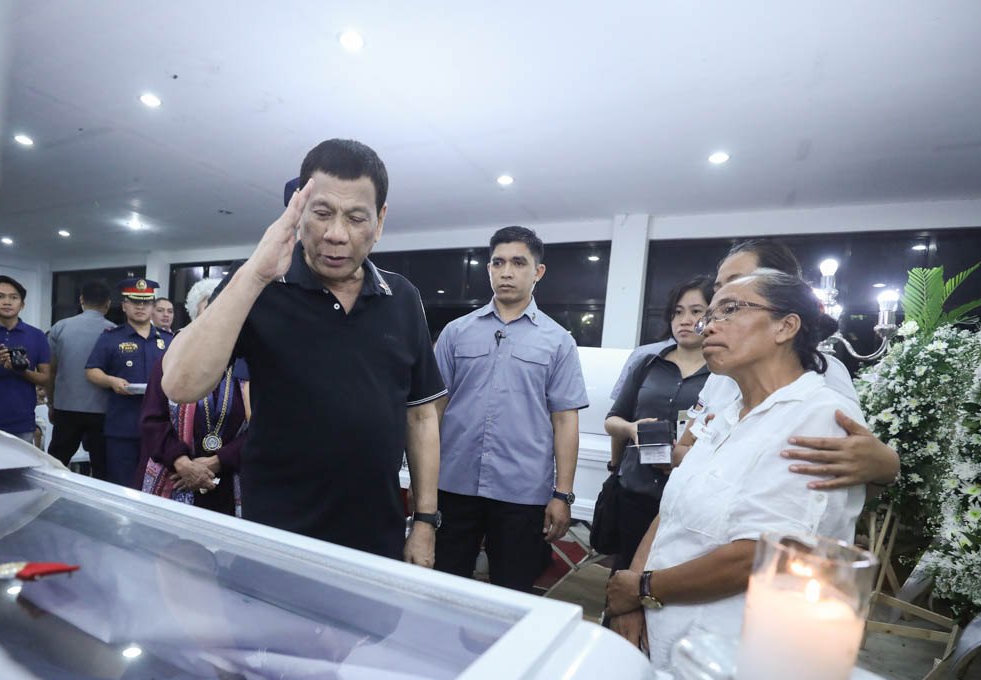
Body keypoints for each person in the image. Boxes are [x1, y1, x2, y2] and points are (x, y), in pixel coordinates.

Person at [605, 269, 866, 680]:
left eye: (727, 310)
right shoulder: (726, 408)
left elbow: (760, 553)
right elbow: (671, 513)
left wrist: (642, 588)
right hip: (668, 642)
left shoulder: (816, 419)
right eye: (707, 312)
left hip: (734, 666)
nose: (706, 324)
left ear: (785, 326)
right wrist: (630, 593)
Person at [160, 138, 445, 564]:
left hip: (375, 530)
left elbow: (421, 416)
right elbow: (180, 384)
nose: (336, 234)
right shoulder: (260, 285)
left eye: (356, 218)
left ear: (380, 221)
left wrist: (424, 521)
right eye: (322, 213)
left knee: (369, 631)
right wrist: (254, 273)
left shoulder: (401, 297)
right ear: (298, 210)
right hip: (276, 532)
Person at [431, 226, 589, 592]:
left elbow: (565, 421)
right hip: (454, 484)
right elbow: (433, 409)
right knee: (442, 581)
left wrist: (562, 494)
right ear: (488, 269)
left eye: (519, 263)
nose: (506, 272)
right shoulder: (456, 332)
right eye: (498, 262)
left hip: (523, 492)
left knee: (512, 588)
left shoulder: (558, 341)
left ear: (538, 271)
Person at [672, 239, 900, 490]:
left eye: (738, 282)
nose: (723, 294)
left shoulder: (822, 372)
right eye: (719, 287)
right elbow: (683, 449)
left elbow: (855, 468)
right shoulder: (719, 375)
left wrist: (887, 466)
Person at [600, 275, 713, 578]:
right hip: (635, 491)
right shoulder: (647, 364)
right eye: (677, 312)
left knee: (670, 581)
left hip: (689, 500)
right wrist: (632, 429)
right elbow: (613, 420)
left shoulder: (723, 376)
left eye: (696, 311)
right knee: (625, 574)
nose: (684, 320)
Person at [138, 278, 250, 517]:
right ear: (195, 316)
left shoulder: (251, 364)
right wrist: (181, 462)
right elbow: (152, 419)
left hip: (233, 481)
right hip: (175, 475)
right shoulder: (172, 359)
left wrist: (217, 461)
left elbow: (264, 426)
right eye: (210, 309)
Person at [85, 278, 173, 487]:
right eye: (134, 302)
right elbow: (91, 370)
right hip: (123, 426)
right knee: (123, 485)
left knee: (158, 486)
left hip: (161, 427)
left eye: (145, 302)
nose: (140, 307)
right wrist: (110, 380)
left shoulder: (168, 341)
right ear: (124, 306)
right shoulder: (110, 338)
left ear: (152, 306)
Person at [0, 275, 51, 442]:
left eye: (14, 297)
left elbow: (45, 377)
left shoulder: (37, 335)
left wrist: (21, 371)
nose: (7, 302)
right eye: (0, 296)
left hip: (21, 424)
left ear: (22, 305)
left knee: (19, 469)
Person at [46, 279, 115, 478]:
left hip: (66, 408)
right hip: (103, 411)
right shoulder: (114, 332)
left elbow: (51, 370)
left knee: (55, 464)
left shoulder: (60, 327)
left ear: (81, 300)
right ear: (108, 304)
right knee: (102, 467)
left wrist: (52, 403)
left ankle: (46, 503)